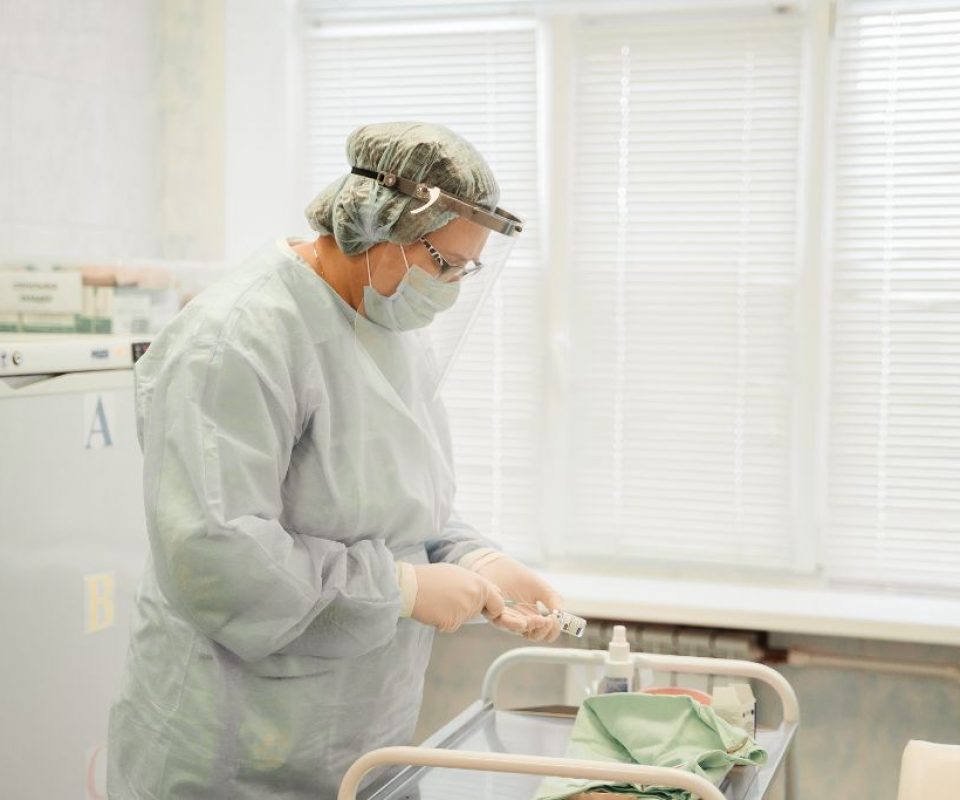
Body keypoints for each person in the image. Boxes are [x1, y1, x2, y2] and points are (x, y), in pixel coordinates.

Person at [107, 121, 564, 799]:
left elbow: (395, 500)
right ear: (383, 228)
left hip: (357, 739)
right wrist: (403, 590)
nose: (451, 287)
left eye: (467, 269)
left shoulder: (388, 324)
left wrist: (474, 557)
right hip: (234, 748)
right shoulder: (236, 340)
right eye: (445, 264)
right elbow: (216, 560)